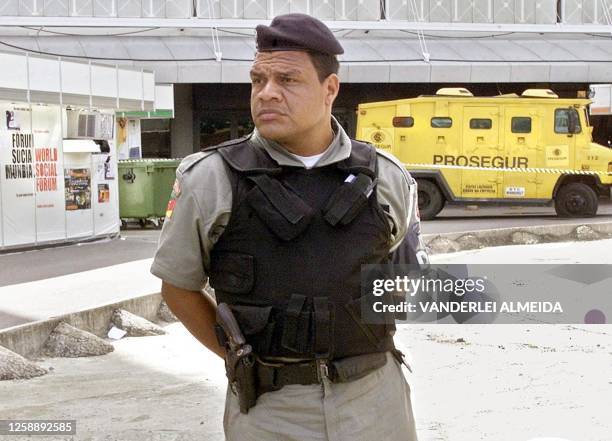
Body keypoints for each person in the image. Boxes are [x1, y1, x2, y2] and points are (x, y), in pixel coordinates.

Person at [151, 13, 427, 441]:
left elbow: (406, 277)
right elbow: (178, 286)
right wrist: (239, 358)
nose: (267, 94)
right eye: (257, 80)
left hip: (375, 400)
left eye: (287, 80)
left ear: (329, 89)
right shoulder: (210, 178)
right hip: (269, 411)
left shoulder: (387, 177)